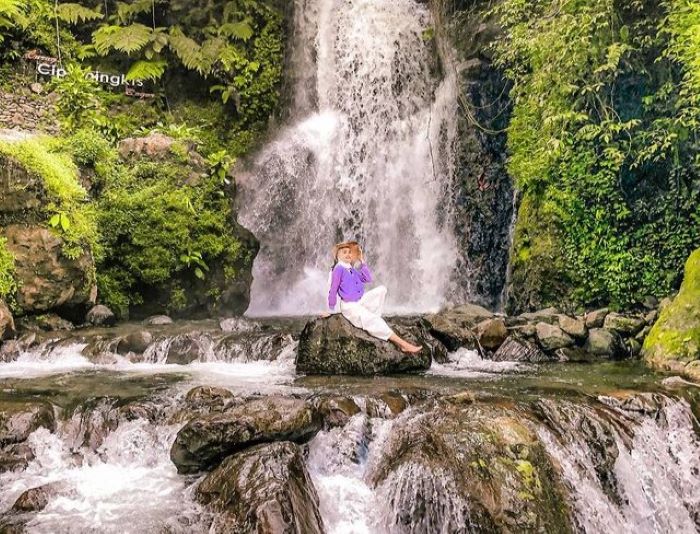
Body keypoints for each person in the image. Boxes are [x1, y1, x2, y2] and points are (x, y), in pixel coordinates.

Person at [322, 240, 422, 354]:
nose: (348, 254)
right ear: (337, 256)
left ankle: (374, 320)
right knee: (371, 319)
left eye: (349, 252)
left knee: (381, 290)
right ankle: (403, 344)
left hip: (359, 301)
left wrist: (361, 261)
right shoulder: (338, 269)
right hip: (349, 306)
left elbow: (367, 279)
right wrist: (330, 310)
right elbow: (333, 289)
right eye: (344, 252)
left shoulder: (352, 268)